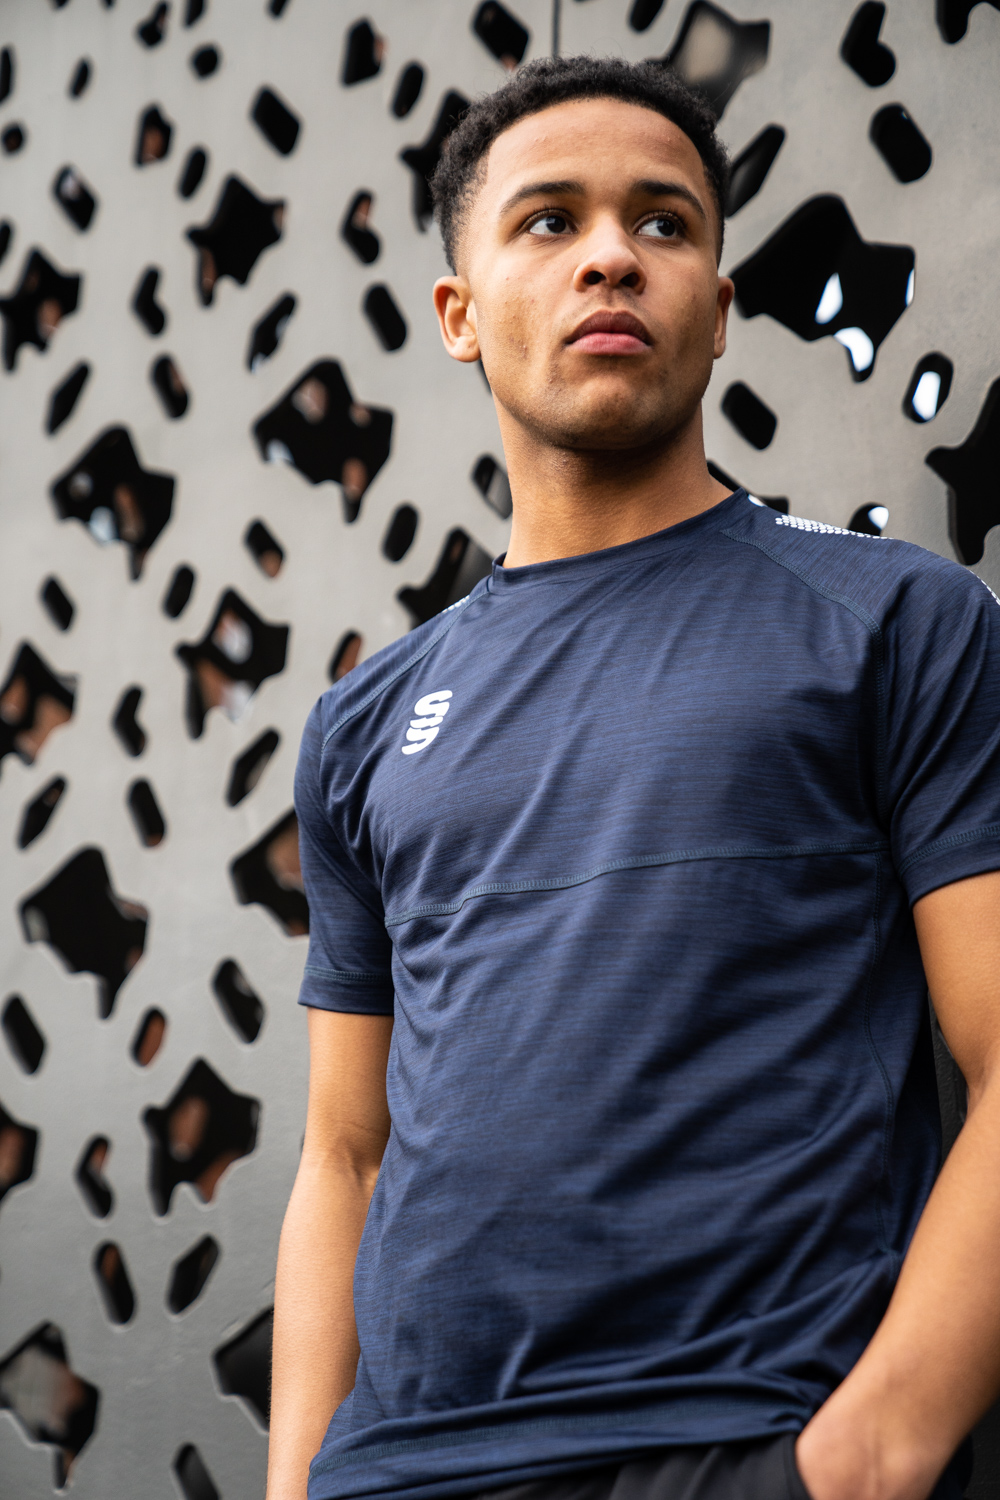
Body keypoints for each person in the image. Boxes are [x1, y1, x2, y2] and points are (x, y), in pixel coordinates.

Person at [266, 55, 1000, 1500]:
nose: (611, 254)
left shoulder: (897, 624)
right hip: (400, 1473)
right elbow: (343, 1156)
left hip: (740, 1440)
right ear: (459, 315)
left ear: (717, 311)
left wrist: (870, 1453)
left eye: (664, 223)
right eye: (549, 221)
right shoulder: (364, 722)